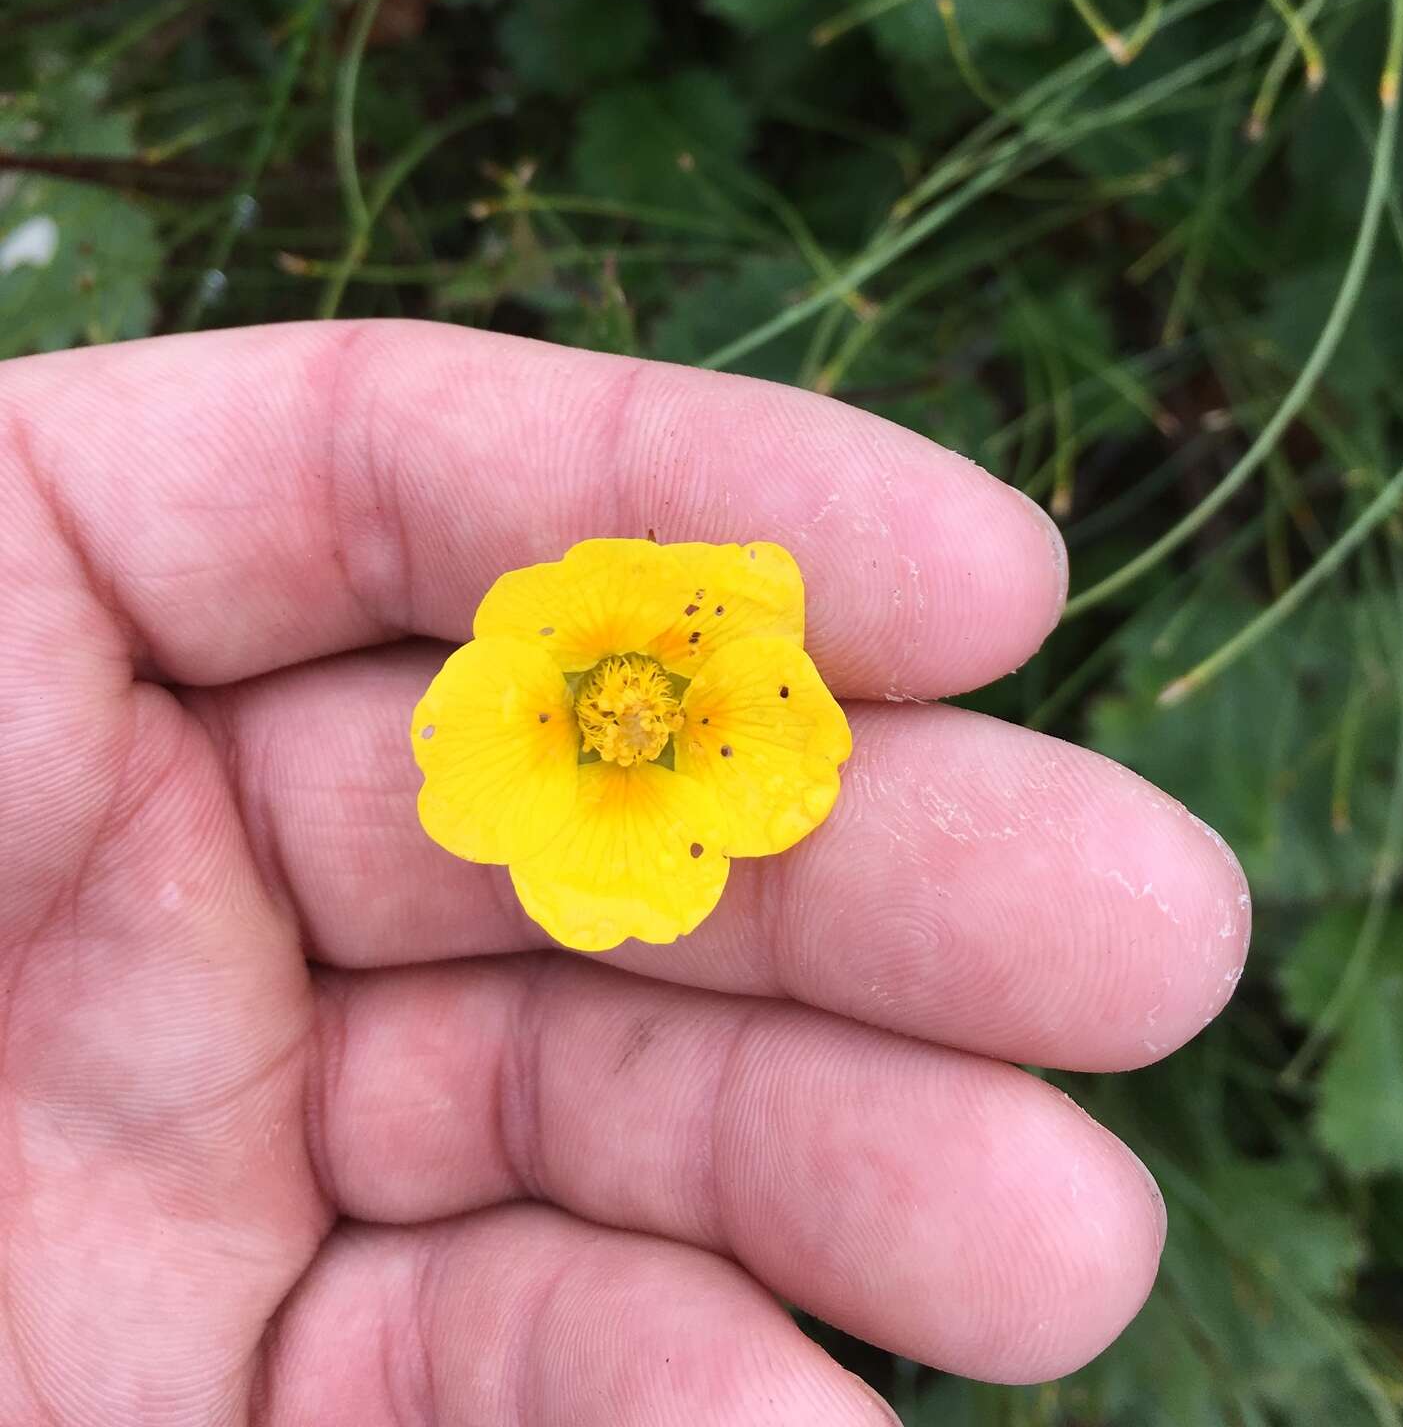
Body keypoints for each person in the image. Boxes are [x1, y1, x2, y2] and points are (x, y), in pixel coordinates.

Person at [0, 320, 1249, 1426]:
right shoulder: (557, 656)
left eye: (643, 700)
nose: (634, 712)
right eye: (625, 701)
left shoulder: (715, 648)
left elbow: (790, 762)